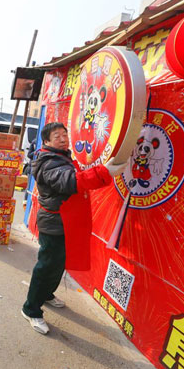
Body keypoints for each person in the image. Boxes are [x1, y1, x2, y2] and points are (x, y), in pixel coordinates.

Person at [21, 122, 128, 335]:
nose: (62, 138)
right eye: (56, 136)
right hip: (53, 223)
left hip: (65, 222)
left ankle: (47, 294)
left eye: (64, 134)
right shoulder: (47, 162)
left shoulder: (62, 156)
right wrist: (103, 172)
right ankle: (31, 308)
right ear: (47, 141)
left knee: (59, 263)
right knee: (46, 266)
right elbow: (69, 181)